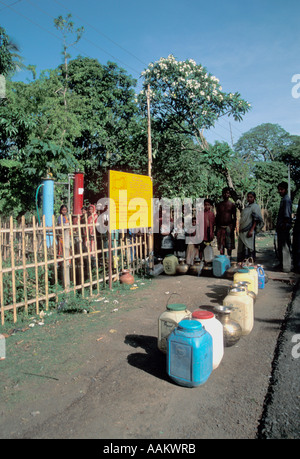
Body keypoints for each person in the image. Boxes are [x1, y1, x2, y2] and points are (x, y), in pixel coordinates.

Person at [237, 192, 264, 262]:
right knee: (242, 249)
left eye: (251, 197)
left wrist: (251, 230)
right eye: (248, 197)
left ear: (254, 198)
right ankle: (243, 264)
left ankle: (250, 264)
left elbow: (256, 219)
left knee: (249, 248)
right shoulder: (247, 206)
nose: (249, 198)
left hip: (249, 231)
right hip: (243, 231)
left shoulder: (255, 207)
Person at [276, 181, 292, 272]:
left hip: (284, 227)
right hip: (281, 226)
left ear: (285, 190)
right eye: (279, 189)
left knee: (285, 247)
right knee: (280, 246)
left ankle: (286, 267)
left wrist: (283, 226)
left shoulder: (286, 200)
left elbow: (286, 215)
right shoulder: (284, 199)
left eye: (281, 189)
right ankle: (282, 264)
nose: (280, 191)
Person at [216, 187, 236, 258]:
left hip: (229, 227)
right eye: (224, 193)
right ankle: (222, 259)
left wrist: (233, 227)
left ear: (230, 195)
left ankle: (229, 258)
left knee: (229, 245)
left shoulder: (232, 205)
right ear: (222, 194)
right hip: (220, 227)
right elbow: (217, 216)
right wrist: (216, 228)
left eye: (228, 193)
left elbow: (234, 216)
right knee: (221, 245)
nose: (226, 194)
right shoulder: (219, 205)